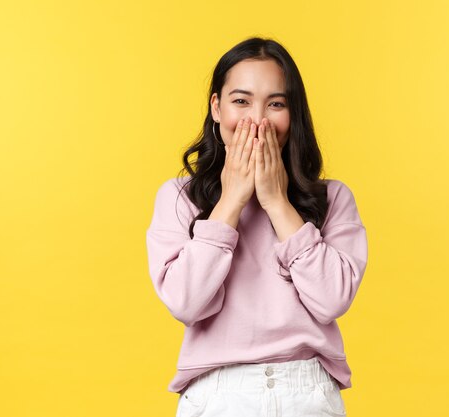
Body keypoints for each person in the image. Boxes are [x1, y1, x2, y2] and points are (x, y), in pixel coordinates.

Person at [145, 36, 368, 417]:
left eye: (276, 104)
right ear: (217, 107)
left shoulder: (333, 198)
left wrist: (277, 202)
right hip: (217, 394)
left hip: (307, 392)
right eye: (241, 101)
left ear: (292, 114)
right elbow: (185, 302)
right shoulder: (179, 197)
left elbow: (333, 300)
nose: (258, 119)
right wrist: (231, 200)